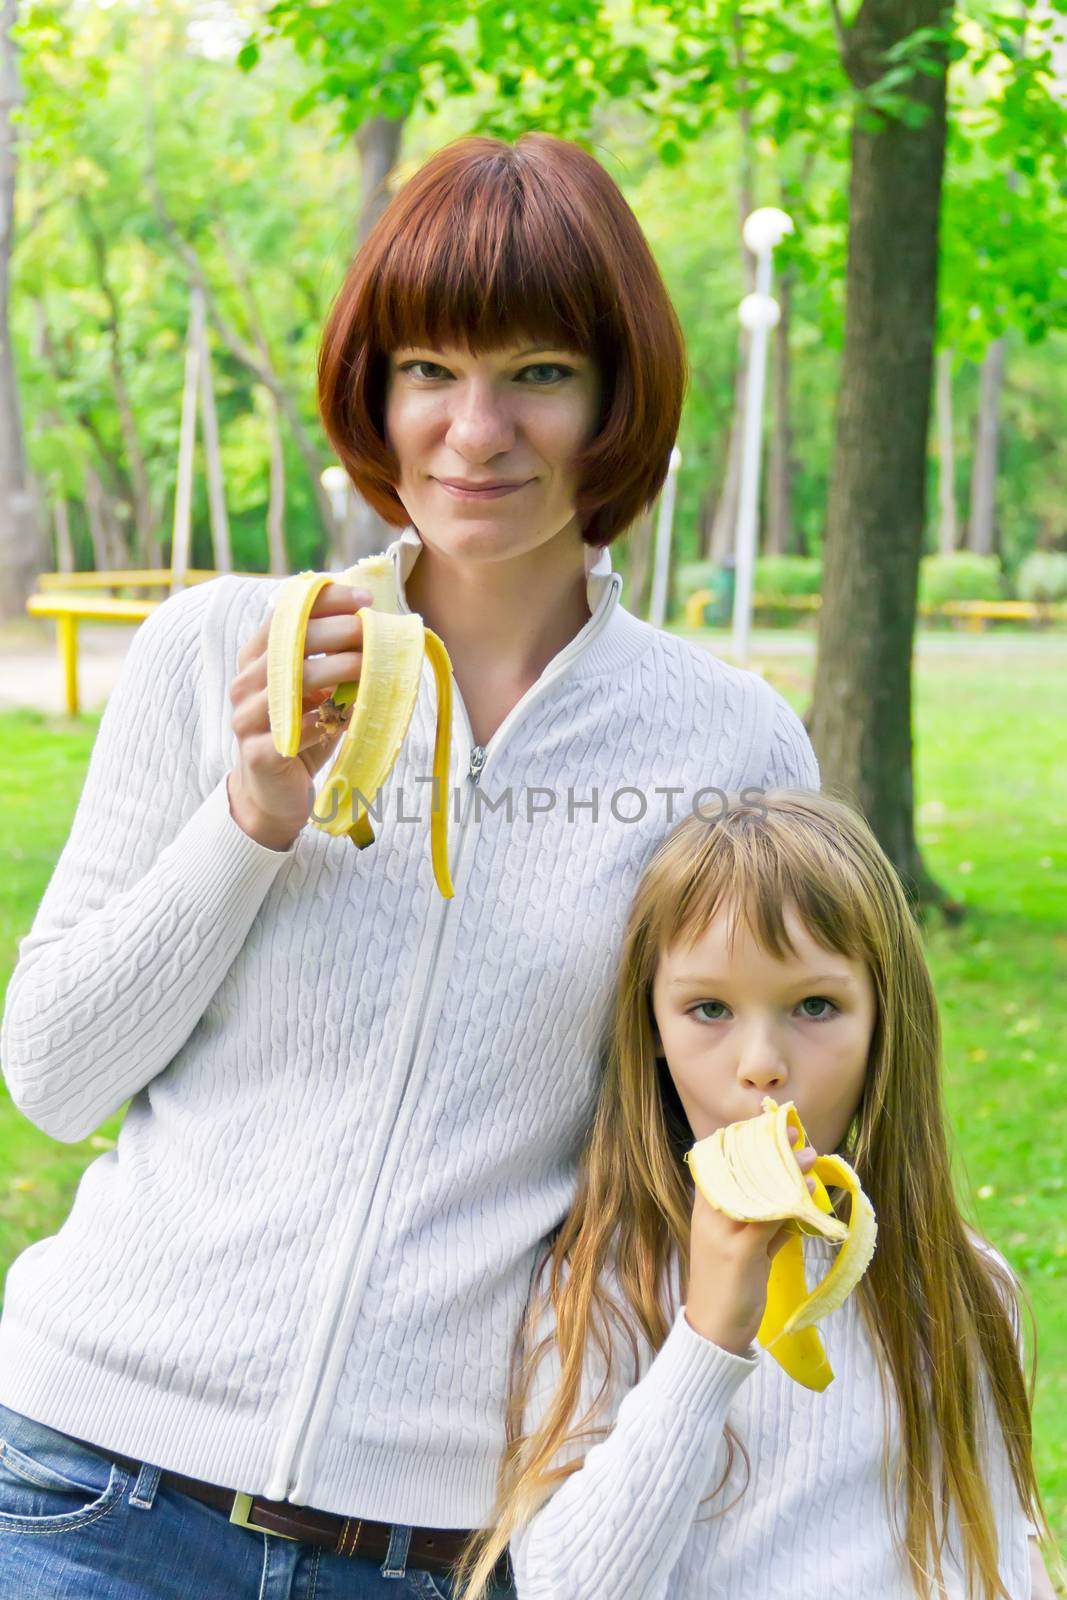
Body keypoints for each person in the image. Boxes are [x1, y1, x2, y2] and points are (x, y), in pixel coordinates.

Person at [0, 133, 819, 1598]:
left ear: (616, 396)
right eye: (427, 370)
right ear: (371, 389)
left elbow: (752, 1141)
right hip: (81, 1491)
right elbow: (55, 1081)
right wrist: (251, 812)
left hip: (438, 1543)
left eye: (539, 373)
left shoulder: (726, 746)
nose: (473, 431)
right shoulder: (216, 650)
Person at [449, 790, 1058, 1600]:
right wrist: (709, 1336)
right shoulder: (604, 1287)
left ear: (885, 1020)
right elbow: (565, 1588)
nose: (760, 1063)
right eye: (708, 1009)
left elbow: (995, 1566)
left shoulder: (965, 1289)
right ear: (653, 1034)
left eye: (814, 1006)